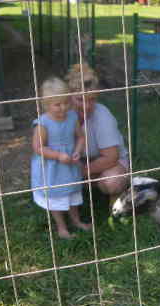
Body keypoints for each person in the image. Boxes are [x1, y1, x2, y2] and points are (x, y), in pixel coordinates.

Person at [31, 76, 91, 239]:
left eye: (66, 102)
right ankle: (61, 227)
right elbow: (38, 147)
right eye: (57, 104)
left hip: (70, 163)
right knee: (55, 197)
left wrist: (78, 150)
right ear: (46, 104)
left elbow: (80, 136)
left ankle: (76, 220)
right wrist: (57, 155)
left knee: (72, 193)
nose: (63, 107)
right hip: (52, 167)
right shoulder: (43, 123)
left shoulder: (72, 117)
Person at [65, 63, 130, 206]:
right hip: (77, 162)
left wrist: (79, 173)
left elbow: (111, 158)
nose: (86, 106)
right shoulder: (60, 116)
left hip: (110, 164)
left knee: (112, 181)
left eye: (92, 99)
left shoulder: (102, 115)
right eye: (80, 99)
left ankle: (116, 202)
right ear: (69, 96)